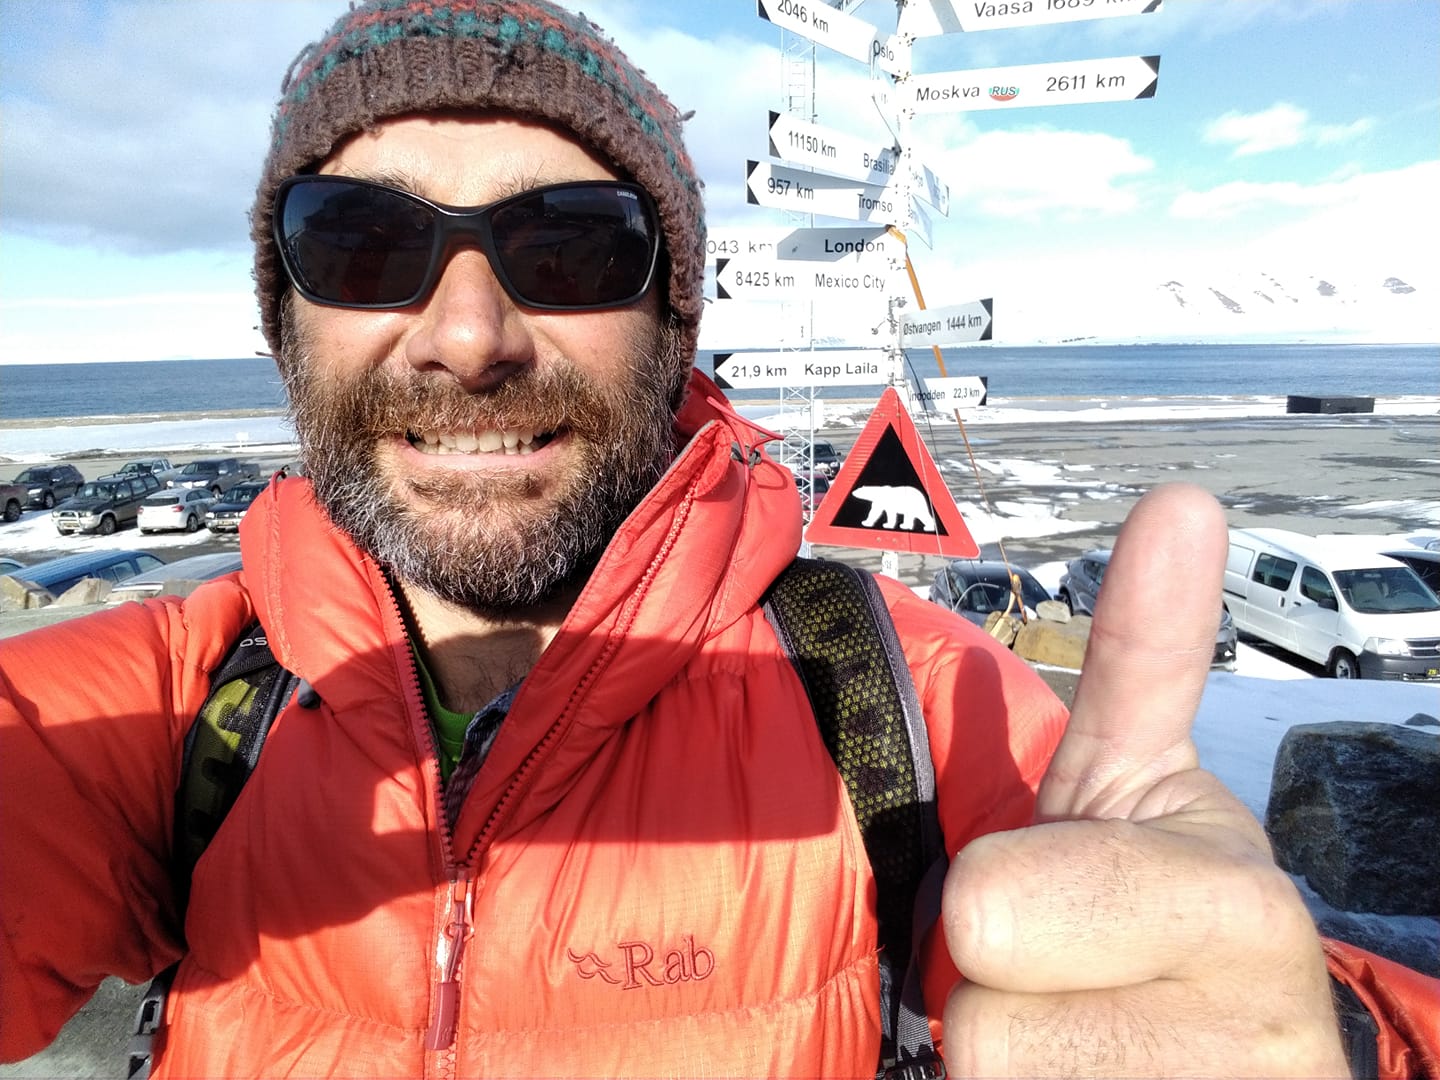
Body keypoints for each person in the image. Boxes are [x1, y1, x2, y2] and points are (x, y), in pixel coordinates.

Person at [1, 2, 1433, 1076]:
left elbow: (1219, 975)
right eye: (360, 244)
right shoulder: (175, 711)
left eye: (569, 248)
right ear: (285, 320)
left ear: (672, 319)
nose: (468, 334)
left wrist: (1326, 1037)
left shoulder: (905, 707)